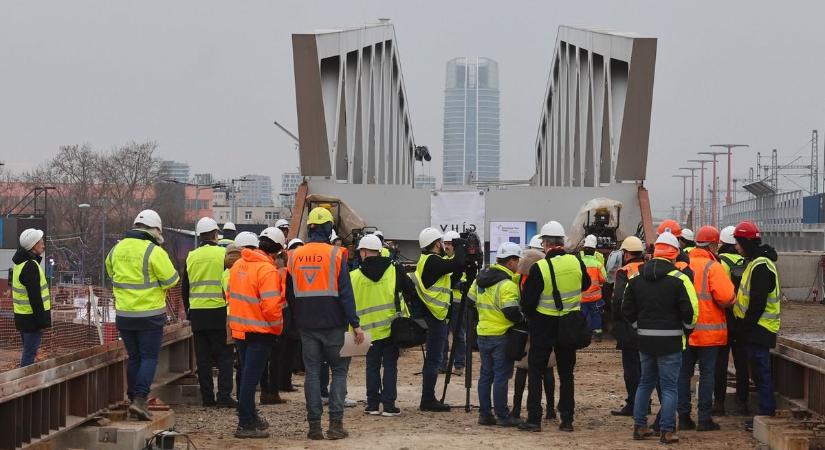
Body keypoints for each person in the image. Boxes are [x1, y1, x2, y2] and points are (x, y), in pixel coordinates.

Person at [286, 207, 364, 440]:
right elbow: (346, 293)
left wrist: (298, 318)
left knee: (312, 373)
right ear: (329, 228)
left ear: (310, 228)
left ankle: (314, 427)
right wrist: (356, 325)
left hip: (307, 325)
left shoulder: (294, 256)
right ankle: (335, 426)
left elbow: (290, 294)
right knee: (339, 372)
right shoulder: (337, 254)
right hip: (334, 324)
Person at [622, 232, 698, 444]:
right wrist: (685, 330)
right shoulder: (680, 279)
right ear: (674, 254)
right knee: (670, 387)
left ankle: (640, 427)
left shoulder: (636, 278)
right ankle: (666, 431)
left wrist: (639, 327)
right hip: (671, 341)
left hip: (645, 341)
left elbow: (625, 309)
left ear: (654, 253)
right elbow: (691, 312)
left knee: (645, 383)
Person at [106, 210, 179, 421]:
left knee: (134, 357)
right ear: (155, 230)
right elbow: (172, 280)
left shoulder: (115, 249)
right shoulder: (153, 251)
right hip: (150, 315)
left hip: (124, 315)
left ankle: (132, 399)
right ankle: (139, 399)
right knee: (149, 357)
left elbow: (111, 273)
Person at [519, 221, 590, 432]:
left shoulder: (539, 267)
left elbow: (528, 303)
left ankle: (534, 419)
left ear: (546, 244)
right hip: (569, 324)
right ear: (561, 242)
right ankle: (567, 420)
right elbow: (585, 284)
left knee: (536, 371)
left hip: (544, 324)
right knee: (567, 373)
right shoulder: (576, 262)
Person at [227, 228, 286, 438]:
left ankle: (250, 416)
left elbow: (229, 294)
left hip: (240, 330)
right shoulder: (267, 271)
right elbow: (271, 308)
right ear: (278, 250)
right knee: (251, 380)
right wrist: (278, 327)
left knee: (246, 377)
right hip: (260, 332)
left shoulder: (238, 265)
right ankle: (245, 424)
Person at [677, 226, 735, 431]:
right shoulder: (713, 266)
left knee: (684, 374)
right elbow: (727, 297)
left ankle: (683, 417)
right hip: (709, 333)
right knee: (707, 374)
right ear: (712, 244)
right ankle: (704, 419)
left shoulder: (683, 263)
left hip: (686, 331)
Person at [351, 234, 411, 417]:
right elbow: (410, 290)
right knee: (390, 366)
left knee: (372, 366)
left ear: (363, 251)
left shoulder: (353, 277)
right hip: (391, 328)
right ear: (379, 251)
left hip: (366, 331)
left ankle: (372, 405)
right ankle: (389, 405)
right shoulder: (394, 270)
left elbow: (347, 304)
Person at [410, 227, 466, 412]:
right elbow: (457, 263)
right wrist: (459, 244)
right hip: (435, 317)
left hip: (435, 316)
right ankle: (428, 399)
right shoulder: (432, 261)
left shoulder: (428, 261)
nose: (443, 245)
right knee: (434, 360)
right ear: (436, 244)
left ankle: (428, 398)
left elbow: (451, 277)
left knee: (434, 359)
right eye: (442, 242)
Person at [731, 221, 780, 431]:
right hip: (758, 327)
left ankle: (765, 413)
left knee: (761, 371)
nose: (735, 247)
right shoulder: (756, 262)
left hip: (760, 328)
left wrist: (745, 327)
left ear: (746, 242)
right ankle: (763, 411)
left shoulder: (760, 265)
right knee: (759, 371)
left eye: (738, 242)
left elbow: (758, 302)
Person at [182, 217, 236, 408]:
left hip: (197, 314)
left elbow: (185, 288)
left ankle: (207, 398)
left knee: (203, 359)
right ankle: (224, 396)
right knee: (224, 357)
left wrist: (189, 311)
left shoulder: (191, 256)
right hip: (219, 312)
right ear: (215, 235)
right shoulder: (223, 254)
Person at [470, 242, 524, 427]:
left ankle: (485, 414)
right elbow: (511, 312)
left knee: (486, 375)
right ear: (510, 262)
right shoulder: (507, 284)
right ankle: (502, 415)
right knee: (501, 376)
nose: (519, 265)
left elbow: (470, 301)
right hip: (501, 335)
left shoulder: (479, 280)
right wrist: (523, 318)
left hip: (483, 333)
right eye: (517, 260)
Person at [512, 234, 555, 421]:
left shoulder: (519, 277)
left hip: (525, 324)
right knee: (547, 368)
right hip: (546, 323)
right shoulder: (546, 271)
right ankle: (551, 409)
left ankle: (515, 409)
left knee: (522, 368)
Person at [713, 225, 750, 416]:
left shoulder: (721, 262)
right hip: (742, 318)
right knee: (742, 362)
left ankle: (719, 404)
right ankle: (742, 403)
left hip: (725, 317)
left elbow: (719, 292)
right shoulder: (748, 261)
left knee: (720, 362)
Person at [609, 236, 646, 416]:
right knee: (644, 366)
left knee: (631, 369)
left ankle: (633, 404)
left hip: (630, 326)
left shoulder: (624, 271)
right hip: (647, 324)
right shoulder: (648, 268)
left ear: (626, 253)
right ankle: (644, 403)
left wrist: (616, 322)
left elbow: (618, 300)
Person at [257, 227, 290, 406]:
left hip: (257, 319)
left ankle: (267, 392)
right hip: (273, 318)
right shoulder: (269, 271)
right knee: (273, 357)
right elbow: (276, 301)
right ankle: (271, 393)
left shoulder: (251, 265)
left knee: (265, 359)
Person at [12, 228, 51, 367]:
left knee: (28, 351)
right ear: (33, 245)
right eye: (41, 242)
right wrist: (42, 322)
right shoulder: (30, 266)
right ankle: (25, 383)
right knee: (29, 353)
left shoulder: (20, 263)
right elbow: (35, 298)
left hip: (23, 317)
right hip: (32, 319)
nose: (43, 244)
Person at [439, 230, 466, 376]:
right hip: (444, 303)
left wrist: (454, 283)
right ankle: (442, 364)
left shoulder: (462, 260)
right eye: (446, 243)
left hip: (457, 303)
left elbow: (468, 281)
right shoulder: (442, 259)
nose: (447, 246)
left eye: (450, 244)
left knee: (458, 335)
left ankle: (459, 365)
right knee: (442, 334)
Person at [580, 235, 607, 342]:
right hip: (595, 297)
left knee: (582, 316)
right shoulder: (598, 264)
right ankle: (597, 335)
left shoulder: (579, 263)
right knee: (596, 315)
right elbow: (604, 279)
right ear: (594, 250)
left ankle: (582, 335)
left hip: (582, 297)